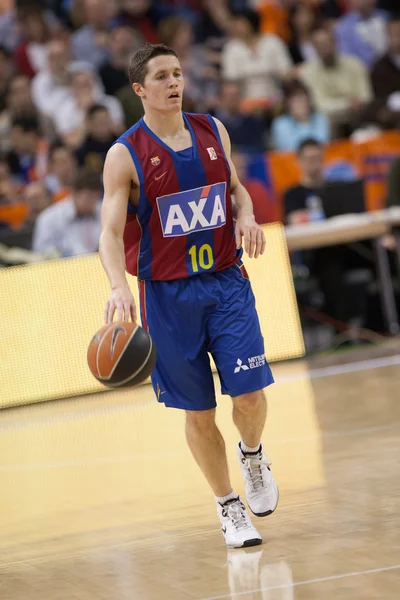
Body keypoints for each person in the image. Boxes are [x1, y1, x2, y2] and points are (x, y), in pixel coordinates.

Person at [99, 42, 279, 549]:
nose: (174, 82)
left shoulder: (212, 130)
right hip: (167, 297)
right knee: (198, 411)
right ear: (140, 89)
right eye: (161, 76)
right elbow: (110, 234)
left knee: (248, 395)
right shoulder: (125, 154)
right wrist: (118, 286)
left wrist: (244, 216)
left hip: (226, 282)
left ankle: (253, 454)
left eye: (177, 73)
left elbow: (236, 187)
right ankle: (228, 506)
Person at [300, 25, 373, 137]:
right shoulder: (309, 72)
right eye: (320, 45)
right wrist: (347, 104)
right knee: (325, 121)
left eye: (327, 44)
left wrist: (358, 104)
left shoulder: (354, 64)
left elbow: (366, 95)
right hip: (332, 119)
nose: (324, 48)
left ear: (336, 44)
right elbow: (320, 105)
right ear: (314, 49)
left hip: (360, 113)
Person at [32, 166, 102, 256]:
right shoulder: (49, 218)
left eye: (96, 197)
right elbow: (41, 253)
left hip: (98, 266)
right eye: (88, 196)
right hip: (64, 268)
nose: (92, 202)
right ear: (75, 193)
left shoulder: (103, 213)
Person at [270, 81, 330, 151]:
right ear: (288, 104)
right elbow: (291, 148)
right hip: (291, 160)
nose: (301, 104)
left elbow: (323, 144)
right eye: (296, 101)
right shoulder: (280, 124)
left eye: (304, 100)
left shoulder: (321, 119)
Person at [335, 0, 389, 68]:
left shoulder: (385, 17)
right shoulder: (343, 26)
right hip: (361, 71)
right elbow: (347, 57)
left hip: (390, 69)